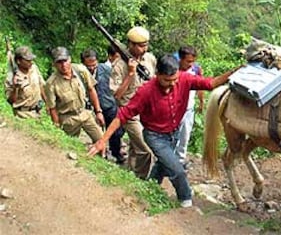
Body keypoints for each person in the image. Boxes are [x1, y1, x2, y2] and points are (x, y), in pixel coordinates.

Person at [89, 54, 241, 208]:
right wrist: (102, 141)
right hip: (155, 136)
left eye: (174, 80)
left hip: (174, 133)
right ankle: (185, 200)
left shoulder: (184, 79)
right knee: (178, 171)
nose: (171, 85)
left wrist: (234, 72)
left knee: (163, 164)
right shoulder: (146, 91)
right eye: (166, 81)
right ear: (157, 74)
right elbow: (122, 115)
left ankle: (150, 187)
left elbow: (211, 83)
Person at [109, 26, 157, 179]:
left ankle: (130, 174)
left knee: (135, 146)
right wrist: (130, 74)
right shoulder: (119, 66)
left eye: (145, 45)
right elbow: (116, 95)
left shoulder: (150, 59)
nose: (144, 49)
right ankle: (140, 179)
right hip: (129, 111)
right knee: (146, 149)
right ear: (130, 45)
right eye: (140, 45)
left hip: (146, 109)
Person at [45, 47, 104, 144]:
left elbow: (91, 89)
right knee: (68, 146)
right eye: (59, 62)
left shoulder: (81, 70)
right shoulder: (51, 83)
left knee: (101, 140)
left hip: (84, 113)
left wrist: (98, 111)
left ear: (70, 59)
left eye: (65, 61)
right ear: (54, 64)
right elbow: (52, 108)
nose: (63, 65)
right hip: (68, 119)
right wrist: (56, 127)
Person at [81, 48, 126, 164]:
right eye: (88, 65)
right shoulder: (80, 73)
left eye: (93, 65)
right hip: (92, 108)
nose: (91, 68)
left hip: (109, 104)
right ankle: (101, 153)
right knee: (97, 132)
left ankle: (116, 153)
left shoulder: (107, 69)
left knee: (115, 133)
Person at [175, 46, 204, 169]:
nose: (191, 64)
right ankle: (168, 162)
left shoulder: (196, 70)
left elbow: (200, 85)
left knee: (185, 136)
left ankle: (180, 161)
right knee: (172, 136)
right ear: (180, 59)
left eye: (192, 61)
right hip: (174, 109)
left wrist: (201, 101)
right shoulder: (173, 69)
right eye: (188, 61)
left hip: (189, 108)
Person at [5, 46, 47, 118]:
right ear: (19, 61)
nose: (30, 62)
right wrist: (15, 88)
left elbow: (41, 85)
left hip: (39, 112)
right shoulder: (12, 77)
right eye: (27, 60)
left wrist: (48, 104)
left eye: (31, 60)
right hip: (23, 115)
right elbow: (11, 101)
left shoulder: (34, 68)